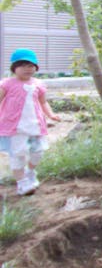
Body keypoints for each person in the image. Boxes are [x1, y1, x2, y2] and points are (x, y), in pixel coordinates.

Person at [0, 48, 60, 196]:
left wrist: (51, 115)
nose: (28, 69)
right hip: (15, 128)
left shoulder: (38, 84)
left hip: (35, 126)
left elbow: (43, 102)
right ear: (14, 67)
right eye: (24, 65)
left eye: (31, 66)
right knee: (17, 154)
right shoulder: (6, 84)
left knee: (37, 152)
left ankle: (30, 171)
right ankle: (22, 183)